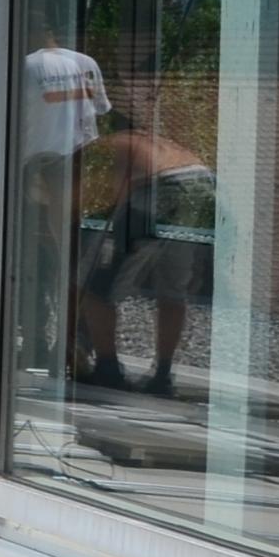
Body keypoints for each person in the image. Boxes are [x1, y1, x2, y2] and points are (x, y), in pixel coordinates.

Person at [74, 111, 215, 398]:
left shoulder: (100, 149)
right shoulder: (149, 142)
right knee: (173, 289)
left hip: (161, 187)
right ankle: (162, 376)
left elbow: (101, 199)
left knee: (96, 287)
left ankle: (108, 370)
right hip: (202, 181)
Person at [18, 26, 110, 378]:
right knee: (75, 262)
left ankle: (42, 342)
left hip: (41, 169)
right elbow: (98, 114)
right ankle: (76, 342)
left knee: (38, 262)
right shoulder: (86, 64)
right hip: (82, 171)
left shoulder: (26, 66)